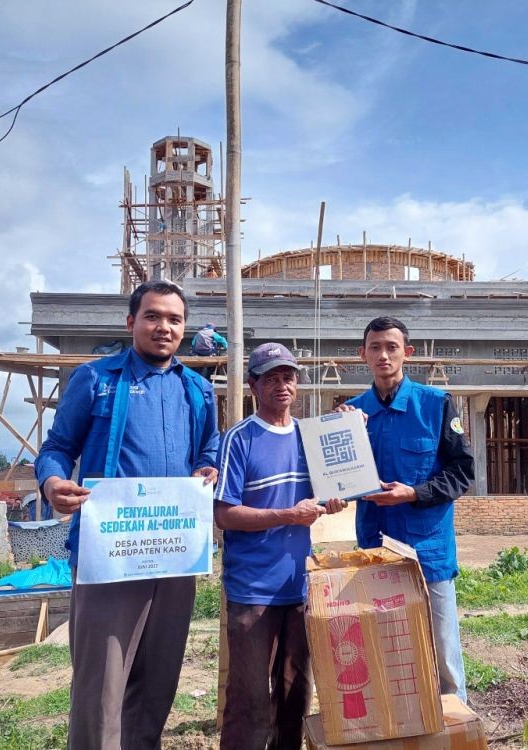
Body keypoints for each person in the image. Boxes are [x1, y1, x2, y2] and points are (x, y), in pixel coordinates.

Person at [34, 279, 220, 750]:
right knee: (101, 684)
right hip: (109, 554)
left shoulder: (197, 390)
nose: (164, 327)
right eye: (153, 316)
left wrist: (208, 467)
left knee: (159, 677)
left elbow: (209, 448)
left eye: (174, 319)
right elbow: (57, 447)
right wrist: (52, 482)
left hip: (174, 555)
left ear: (184, 328)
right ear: (131, 322)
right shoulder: (96, 380)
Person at [337, 316, 475, 703]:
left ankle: (453, 723)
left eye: (391, 347)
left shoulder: (435, 404)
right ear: (362, 355)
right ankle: (399, 724)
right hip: (375, 549)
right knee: (388, 648)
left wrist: (413, 493)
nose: (383, 355)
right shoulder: (351, 413)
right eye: (375, 347)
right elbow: (334, 481)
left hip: (426, 550)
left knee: (442, 651)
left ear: (407, 353)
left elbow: (462, 473)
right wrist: (342, 433)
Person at [215, 342, 345, 750]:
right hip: (252, 589)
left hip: (298, 588)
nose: (281, 385)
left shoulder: (311, 437)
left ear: (298, 384)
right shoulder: (239, 439)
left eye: (288, 377)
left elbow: (331, 491)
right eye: (270, 378)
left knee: (295, 694)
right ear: (253, 385)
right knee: (250, 700)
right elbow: (224, 514)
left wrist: (334, 498)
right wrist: (285, 515)